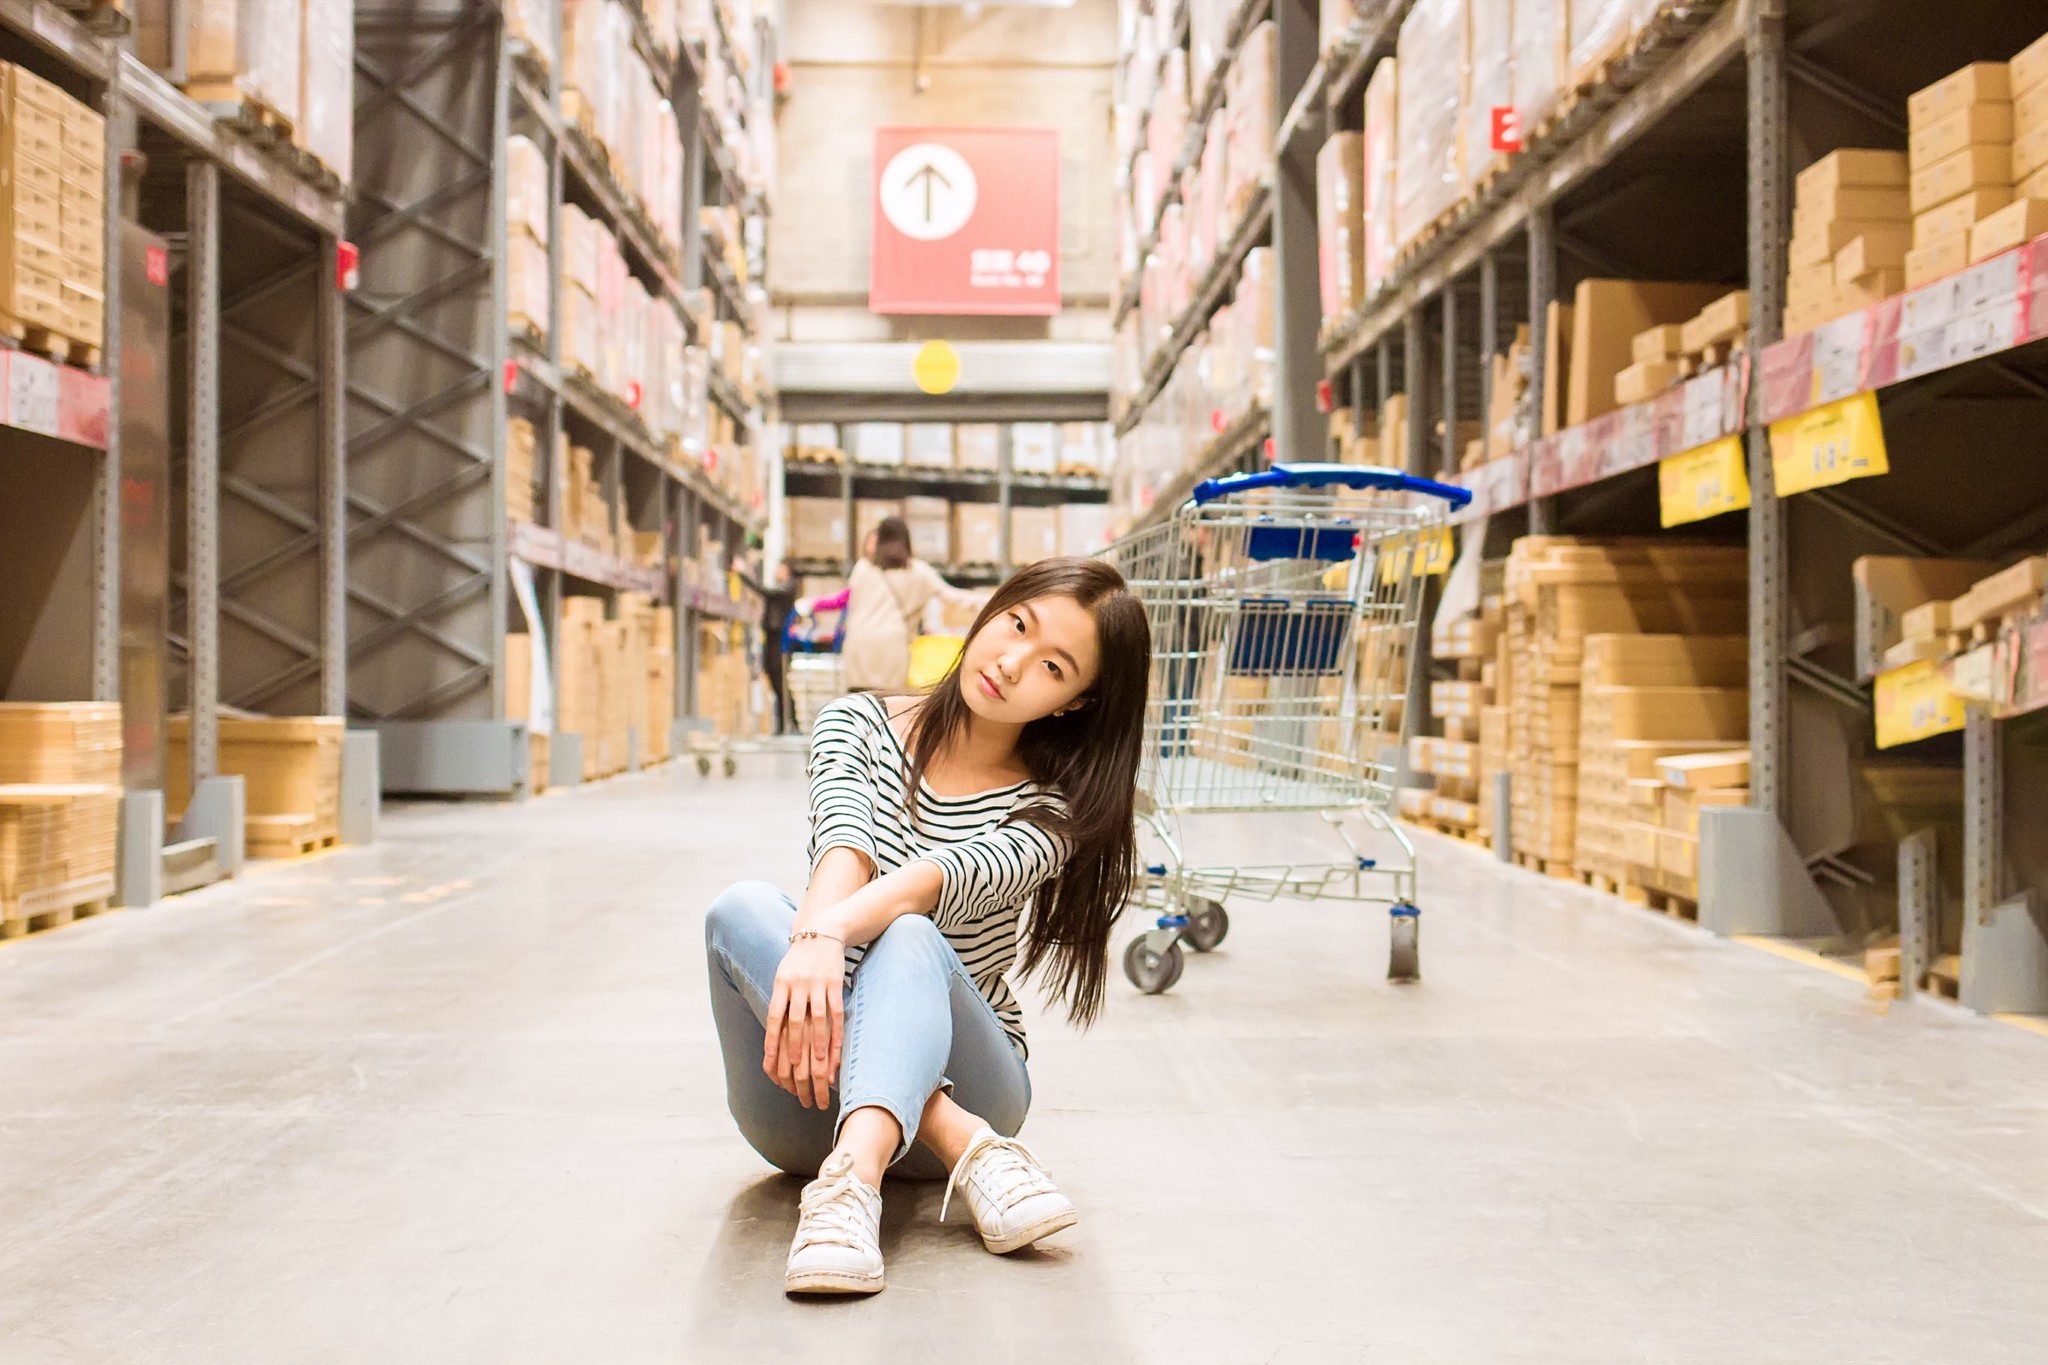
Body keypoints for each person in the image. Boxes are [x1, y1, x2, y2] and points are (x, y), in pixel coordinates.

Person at [702, 557, 1152, 1295]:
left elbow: (931, 882)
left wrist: (820, 937)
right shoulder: (856, 721)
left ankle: (849, 1188)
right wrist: (818, 932)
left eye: (1051, 665)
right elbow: (844, 843)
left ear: (1075, 701)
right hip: (802, 1101)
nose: (1010, 663)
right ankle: (966, 1145)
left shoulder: (1053, 812)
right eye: (1017, 624)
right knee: (740, 906)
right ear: (995, 606)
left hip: (981, 1079)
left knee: (910, 931)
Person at [803, 517, 982, 693]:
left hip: (859, 645)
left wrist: (812, 603)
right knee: (888, 706)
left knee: (858, 707)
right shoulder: (919, 572)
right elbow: (953, 597)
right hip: (892, 648)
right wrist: (991, 600)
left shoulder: (863, 568)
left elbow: (843, 599)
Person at [736, 553, 800, 734]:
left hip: (779, 641)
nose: (776, 571)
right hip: (771, 638)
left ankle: (791, 723)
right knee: (773, 680)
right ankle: (783, 724)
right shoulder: (783, 588)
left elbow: (763, 591)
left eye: (780, 568)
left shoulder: (788, 589)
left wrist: (743, 574)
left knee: (780, 682)